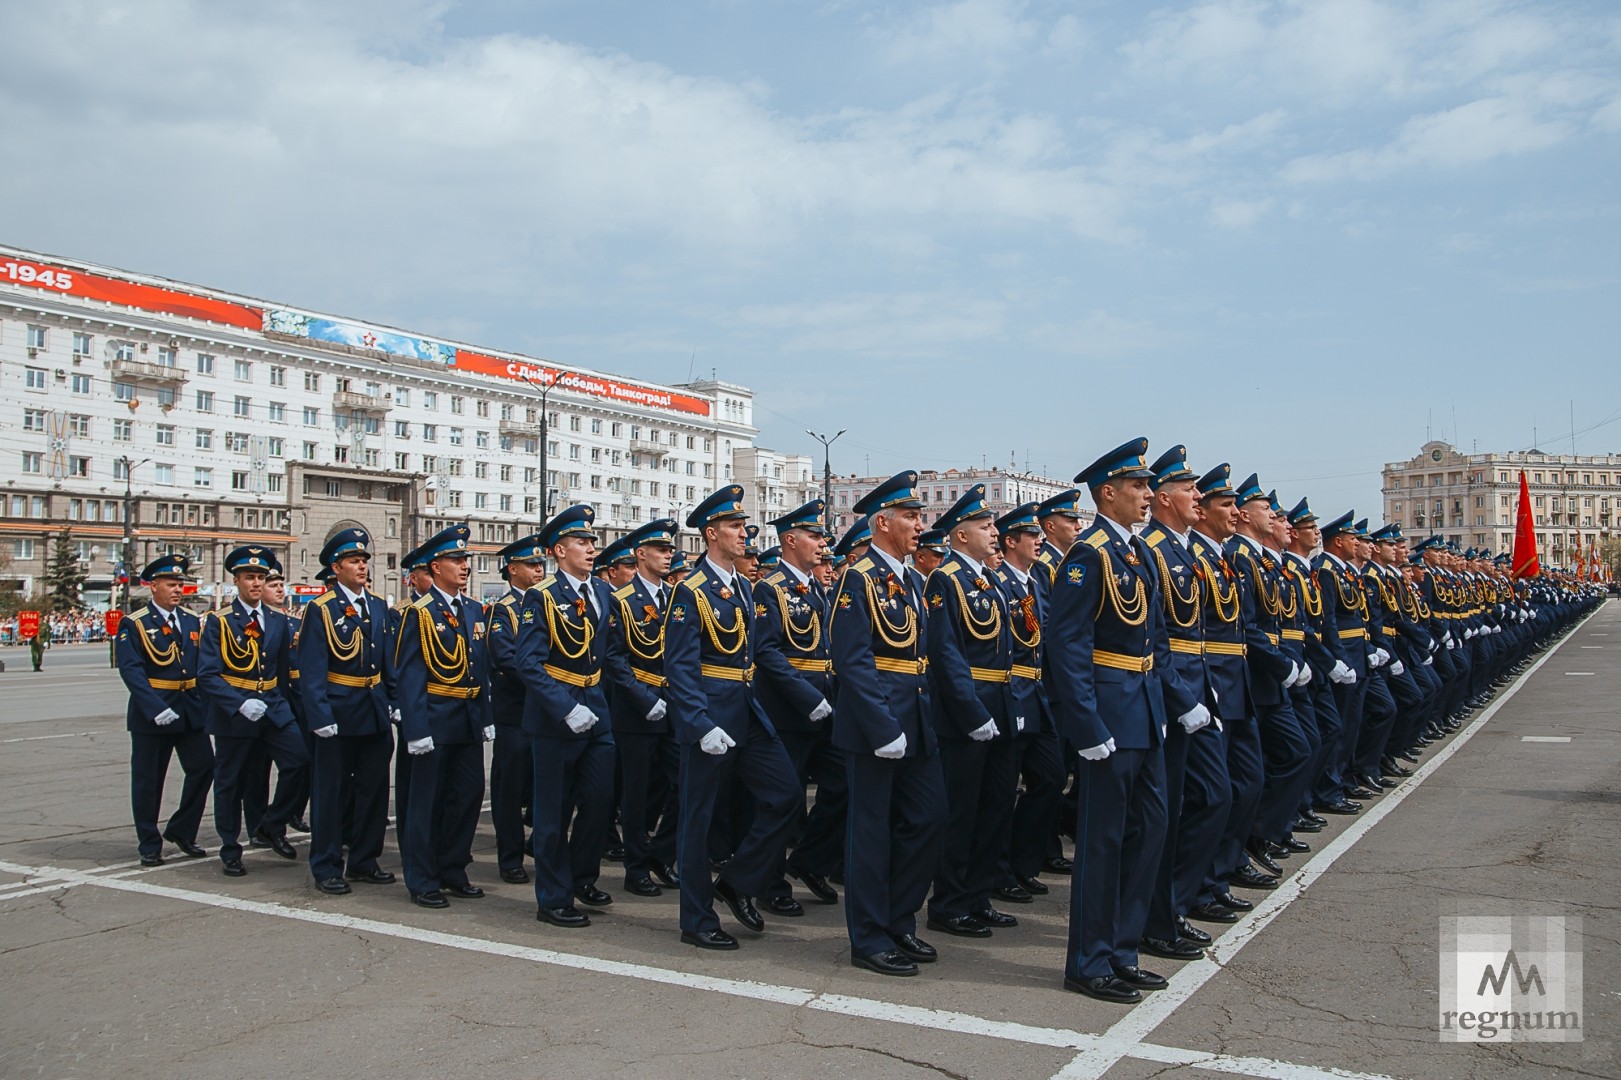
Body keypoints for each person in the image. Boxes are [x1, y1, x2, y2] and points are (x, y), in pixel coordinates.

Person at [1045, 438, 1169, 1005]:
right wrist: (1087, 725)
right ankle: (1090, 961)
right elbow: (1067, 645)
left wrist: (1162, 703)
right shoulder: (1088, 554)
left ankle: (1123, 950)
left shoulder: (1137, 552)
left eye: (1149, 486)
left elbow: (1156, 638)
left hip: (1142, 710)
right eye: (1139, 486)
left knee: (1148, 833)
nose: (1149, 494)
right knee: (1103, 843)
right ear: (1108, 493)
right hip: (1109, 718)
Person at [663, 484, 802, 951]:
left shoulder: (744, 587)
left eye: (745, 526)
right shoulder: (690, 591)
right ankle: (697, 919)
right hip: (709, 718)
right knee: (698, 822)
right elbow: (680, 665)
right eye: (736, 527)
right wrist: (700, 724)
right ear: (711, 533)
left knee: (785, 795)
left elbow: (755, 653)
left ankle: (739, 881)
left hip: (746, 712)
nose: (745, 534)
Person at [830, 471, 946, 977]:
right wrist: (882, 727)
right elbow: (851, 661)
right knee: (871, 833)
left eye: (919, 515)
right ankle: (870, 936)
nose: (920, 524)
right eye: (911, 516)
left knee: (929, 817)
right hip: (877, 725)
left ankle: (900, 918)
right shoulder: (859, 578)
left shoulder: (912, 579)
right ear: (883, 521)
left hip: (916, 720)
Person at [513, 505, 618, 928]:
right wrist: (565, 706)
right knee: (553, 812)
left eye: (592, 542)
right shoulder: (542, 596)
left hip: (596, 709)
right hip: (557, 717)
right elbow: (528, 663)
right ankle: (553, 896)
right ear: (559, 550)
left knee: (599, 800)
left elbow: (605, 653)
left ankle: (582, 877)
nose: (591, 549)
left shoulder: (603, 592)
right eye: (581, 542)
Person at [923, 484, 1020, 940]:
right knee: (961, 811)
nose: (994, 533)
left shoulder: (992, 579)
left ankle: (979, 895)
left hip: (1001, 706)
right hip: (968, 714)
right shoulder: (945, 580)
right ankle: (949, 901)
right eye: (985, 527)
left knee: (996, 807)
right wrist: (971, 712)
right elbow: (946, 654)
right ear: (960, 535)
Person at [1138, 447, 1219, 961]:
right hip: (1167, 694)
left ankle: (1172, 907)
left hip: (1193, 685)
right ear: (1166, 498)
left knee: (1211, 796)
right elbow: (1156, 636)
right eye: (1191, 490)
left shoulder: (1185, 549)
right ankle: (1160, 913)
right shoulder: (1152, 548)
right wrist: (1182, 695)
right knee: (1167, 813)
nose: (1201, 499)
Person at [393, 523, 495, 908]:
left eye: (465, 559)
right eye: (456, 559)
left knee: (467, 796)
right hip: (435, 717)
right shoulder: (419, 613)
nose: (464, 566)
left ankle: (454, 867)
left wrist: (485, 716)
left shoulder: (473, 610)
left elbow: (480, 666)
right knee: (427, 801)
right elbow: (410, 674)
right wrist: (415, 729)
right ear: (435, 567)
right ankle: (422, 877)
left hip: (467, 716)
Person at [198, 546, 310, 877]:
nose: (257, 583)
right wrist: (239, 702)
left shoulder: (277, 620)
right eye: (250, 577)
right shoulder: (219, 621)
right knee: (230, 782)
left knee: (300, 761)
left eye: (261, 577)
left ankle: (271, 823)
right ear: (236, 581)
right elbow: (207, 674)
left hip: (274, 707)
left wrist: (287, 708)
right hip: (236, 711)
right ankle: (230, 847)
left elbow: (280, 667)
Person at [754, 498, 843, 911]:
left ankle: (810, 861)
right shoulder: (769, 588)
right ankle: (770, 885)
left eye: (823, 536)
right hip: (788, 712)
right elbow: (768, 653)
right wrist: (808, 698)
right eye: (814, 536)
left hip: (824, 708)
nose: (822, 544)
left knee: (844, 784)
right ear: (791, 540)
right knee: (784, 801)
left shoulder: (815, 589)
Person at [298, 529, 396, 895]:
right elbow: (311, 669)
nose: (362, 567)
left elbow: (388, 663)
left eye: (364, 561)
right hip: (337, 713)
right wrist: (319, 716)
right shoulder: (321, 609)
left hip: (372, 711)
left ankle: (364, 860)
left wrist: (394, 703)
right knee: (330, 793)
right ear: (335, 567)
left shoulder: (377, 606)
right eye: (354, 561)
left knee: (373, 790)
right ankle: (326, 865)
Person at [114, 553, 215, 867]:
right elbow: (131, 670)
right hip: (154, 714)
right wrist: (154, 707)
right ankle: (148, 842)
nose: (177, 589)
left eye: (180, 584)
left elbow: (197, 666)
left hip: (188, 711)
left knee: (204, 767)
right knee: (148, 780)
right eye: (171, 584)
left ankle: (182, 830)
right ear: (153, 585)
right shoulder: (135, 624)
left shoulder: (188, 620)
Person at [989, 502, 1066, 902]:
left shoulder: (1034, 583)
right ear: (1010, 541)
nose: (1039, 541)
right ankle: (999, 871)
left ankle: (1023, 862)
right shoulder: (997, 582)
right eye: (1031, 536)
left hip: (1038, 694)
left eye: (1039, 535)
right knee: (1002, 791)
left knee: (1051, 778)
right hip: (1011, 693)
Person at [602, 518, 682, 897]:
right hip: (638, 709)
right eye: (661, 550)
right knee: (634, 794)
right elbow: (615, 661)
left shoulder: (677, 597)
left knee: (685, 783)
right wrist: (645, 699)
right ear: (640, 555)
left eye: (670, 550)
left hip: (675, 705)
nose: (669, 556)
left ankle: (660, 854)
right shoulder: (620, 601)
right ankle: (636, 868)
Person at [486, 533, 546, 885]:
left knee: (546, 786)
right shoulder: (503, 609)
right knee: (509, 791)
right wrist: (546, 680)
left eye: (541, 564)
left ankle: (540, 844)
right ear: (513, 570)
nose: (539, 570)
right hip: (516, 711)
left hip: (544, 710)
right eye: (531, 565)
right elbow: (506, 657)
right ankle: (510, 857)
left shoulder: (547, 602)